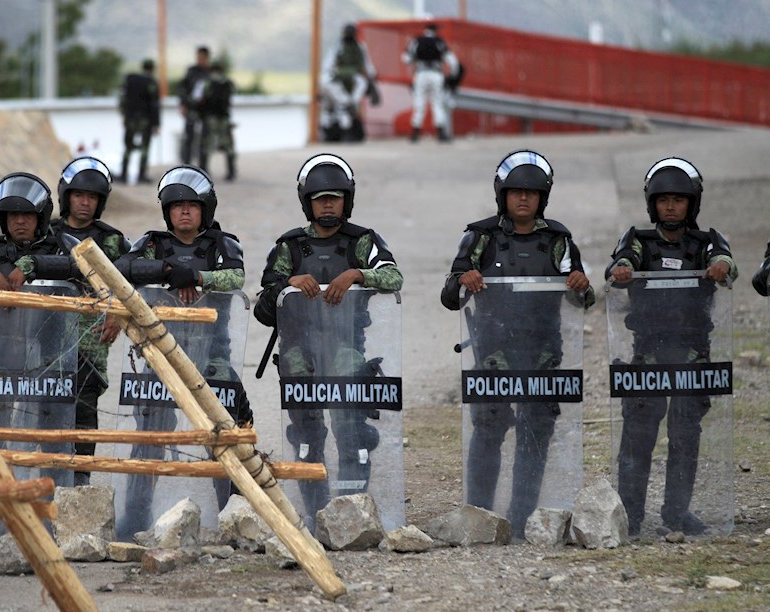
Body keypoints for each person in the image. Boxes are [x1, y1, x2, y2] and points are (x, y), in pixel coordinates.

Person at [439, 150, 593, 537]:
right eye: (515, 192)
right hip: (493, 351)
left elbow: (584, 300)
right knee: (488, 430)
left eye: (532, 192)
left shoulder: (558, 240)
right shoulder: (480, 237)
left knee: (535, 434)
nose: (523, 199)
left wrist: (580, 285)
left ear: (543, 197)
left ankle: (523, 520)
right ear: (502, 195)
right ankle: (479, 517)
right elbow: (449, 295)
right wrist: (464, 280)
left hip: (542, 352)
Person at [254, 153, 402, 522]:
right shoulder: (289, 246)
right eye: (321, 199)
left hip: (346, 351)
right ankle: (315, 516)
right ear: (308, 202)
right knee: (306, 438)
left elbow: (394, 278)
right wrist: (287, 284)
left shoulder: (363, 242)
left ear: (346, 200)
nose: (328, 205)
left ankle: (351, 517)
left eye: (334, 198)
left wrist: (356, 274)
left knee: (352, 435)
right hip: (299, 355)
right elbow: (262, 307)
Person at [114, 165, 252, 536]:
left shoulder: (223, 243)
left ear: (205, 209)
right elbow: (123, 267)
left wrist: (199, 277)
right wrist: (170, 270)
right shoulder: (152, 243)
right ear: (167, 211)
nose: (185, 212)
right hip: (161, 354)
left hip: (214, 357)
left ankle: (235, 516)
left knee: (227, 436)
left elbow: (236, 276)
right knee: (150, 440)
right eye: (177, 206)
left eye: (192, 205)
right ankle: (135, 517)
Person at [605, 157, 735, 536]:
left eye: (679, 200)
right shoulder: (639, 242)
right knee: (637, 438)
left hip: (693, 356)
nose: (672, 207)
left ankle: (677, 514)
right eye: (664, 201)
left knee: (685, 437)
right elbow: (619, 264)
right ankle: (630, 515)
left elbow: (726, 261)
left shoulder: (706, 242)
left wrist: (721, 267)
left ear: (691, 203)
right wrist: (622, 271)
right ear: (653, 205)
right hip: (648, 356)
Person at [51, 157, 131, 486]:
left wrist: (120, 314)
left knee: (84, 410)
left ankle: (80, 480)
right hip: (45, 338)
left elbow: (131, 283)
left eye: (92, 197)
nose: (85, 202)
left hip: (90, 339)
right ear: (66, 196)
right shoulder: (48, 233)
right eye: (79, 195)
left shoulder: (112, 241)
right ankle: (43, 474)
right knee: (42, 407)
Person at [320, 23, 380, 142]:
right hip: (339, 79)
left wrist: (372, 80)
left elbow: (368, 66)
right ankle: (339, 130)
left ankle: (349, 129)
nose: (349, 35)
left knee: (352, 99)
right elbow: (327, 66)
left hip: (355, 79)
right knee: (341, 105)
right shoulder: (338, 47)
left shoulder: (360, 47)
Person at [402, 22, 460, 143]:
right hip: (436, 74)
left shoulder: (417, 41)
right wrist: (453, 75)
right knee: (437, 102)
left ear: (425, 30)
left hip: (421, 73)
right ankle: (441, 132)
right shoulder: (439, 42)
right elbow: (452, 61)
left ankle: (415, 132)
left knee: (419, 102)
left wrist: (416, 60)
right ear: (435, 30)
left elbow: (406, 58)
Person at [118, 59, 161, 184]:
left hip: (130, 118)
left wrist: (124, 116)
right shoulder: (151, 82)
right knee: (145, 147)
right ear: (152, 68)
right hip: (144, 119)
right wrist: (156, 123)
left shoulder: (131, 80)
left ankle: (124, 174)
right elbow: (154, 104)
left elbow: (123, 99)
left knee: (128, 146)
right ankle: (141, 175)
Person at [197, 61, 236, 182]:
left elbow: (201, 99)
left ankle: (203, 171)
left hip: (211, 118)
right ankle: (231, 172)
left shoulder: (207, 82)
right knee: (228, 145)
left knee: (207, 144)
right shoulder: (228, 82)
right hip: (224, 118)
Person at [178, 46, 211, 165]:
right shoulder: (191, 71)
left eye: (201, 58)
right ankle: (186, 165)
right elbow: (183, 88)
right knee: (188, 138)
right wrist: (183, 105)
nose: (199, 60)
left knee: (205, 139)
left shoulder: (210, 72)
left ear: (206, 58)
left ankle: (203, 166)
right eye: (198, 57)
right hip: (192, 109)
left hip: (206, 111)